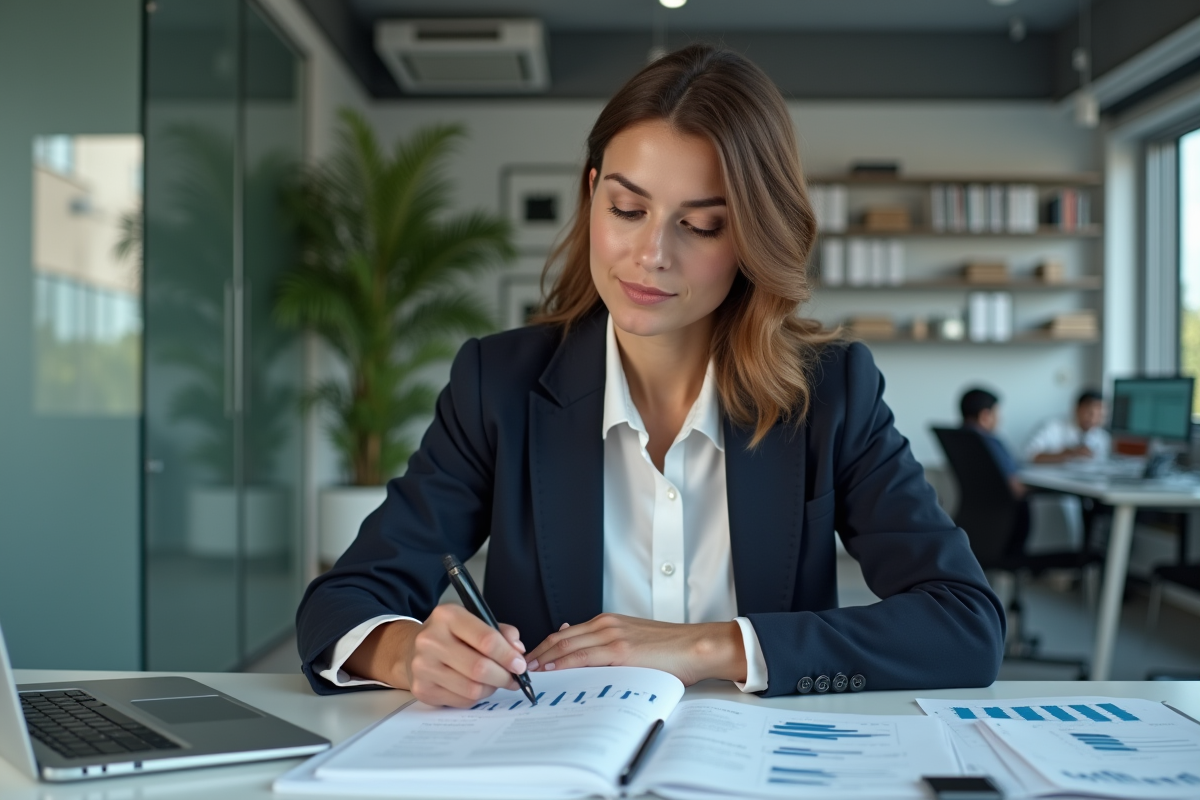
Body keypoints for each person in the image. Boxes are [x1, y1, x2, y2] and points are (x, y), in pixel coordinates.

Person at [296, 45, 1004, 706]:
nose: (650, 255)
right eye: (628, 209)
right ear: (592, 192)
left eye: (699, 225)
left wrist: (709, 646)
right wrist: (406, 650)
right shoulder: (499, 384)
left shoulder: (831, 393)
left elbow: (965, 624)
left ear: (753, 237)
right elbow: (344, 600)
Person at [960, 387, 1026, 500]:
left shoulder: (959, 440)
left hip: (974, 507)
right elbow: (1014, 486)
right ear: (984, 416)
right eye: (996, 413)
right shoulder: (988, 443)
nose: (1000, 418)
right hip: (1004, 505)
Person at [1025, 390, 1110, 464]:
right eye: (1090, 413)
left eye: (1100, 416)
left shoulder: (1102, 437)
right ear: (1077, 409)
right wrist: (1066, 454)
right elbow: (1027, 455)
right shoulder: (1052, 427)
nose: (1093, 419)